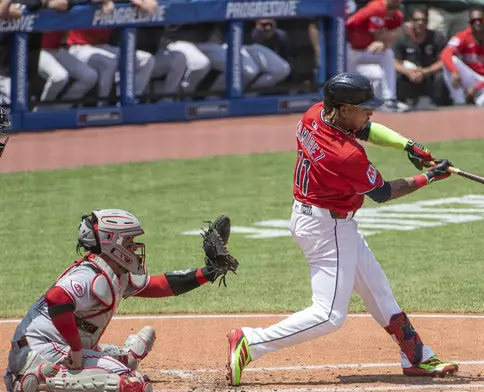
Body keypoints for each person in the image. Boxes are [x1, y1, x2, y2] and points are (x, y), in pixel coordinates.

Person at [226, 72, 458, 387]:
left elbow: (366, 128)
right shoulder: (345, 155)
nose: (371, 113)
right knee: (328, 316)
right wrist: (429, 178)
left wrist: (408, 146)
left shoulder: (315, 115)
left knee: (378, 290)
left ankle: (416, 356)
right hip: (327, 228)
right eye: (365, 107)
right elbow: (383, 193)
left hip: (322, 219)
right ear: (345, 108)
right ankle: (251, 342)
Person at [5, 210, 238, 392]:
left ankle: (119, 356)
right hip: (42, 351)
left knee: (126, 360)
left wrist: (208, 273)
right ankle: (42, 378)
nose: (134, 247)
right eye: (128, 242)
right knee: (132, 383)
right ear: (111, 243)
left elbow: (159, 285)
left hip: (49, 348)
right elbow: (56, 298)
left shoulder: (116, 272)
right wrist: (76, 350)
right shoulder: (91, 275)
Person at [346, 0, 410, 112]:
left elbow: (389, 40)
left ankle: (390, 99)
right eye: (392, 3)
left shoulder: (397, 16)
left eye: (397, 3)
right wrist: (388, 39)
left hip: (365, 50)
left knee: (387, 54)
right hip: (348, 49)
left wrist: (385, 42)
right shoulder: (376, 7)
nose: (393, 6)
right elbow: (380, 36)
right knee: (347, 78)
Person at [394, 8, 450, 108]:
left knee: (440, 77)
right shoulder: (401, 37)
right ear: (410, 21)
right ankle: (400, 101)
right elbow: (394, 62)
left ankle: (438, 104)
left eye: (423, 20)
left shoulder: (437, 37)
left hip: (429, 74)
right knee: (396, 75)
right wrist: (408, 72)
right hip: (408, 75)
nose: (420, 23)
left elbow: (444, 61)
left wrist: (425, 72)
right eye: (416, 20)